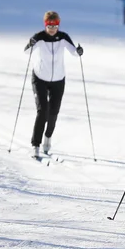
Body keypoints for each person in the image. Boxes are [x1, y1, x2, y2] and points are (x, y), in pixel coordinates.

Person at [24, 11, 83, 159]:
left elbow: (74, 52)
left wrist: (79, 51)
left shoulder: (63, 37)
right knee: (42, 111)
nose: (52, 28)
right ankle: (35, 145)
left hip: (58, 79)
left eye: (55, 25)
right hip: (40, 78)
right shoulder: (39, 37)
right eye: (50, 25)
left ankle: (48, 138)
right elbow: (27, 52)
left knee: (53, 113)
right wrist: (30, 43)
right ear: (45, 25)